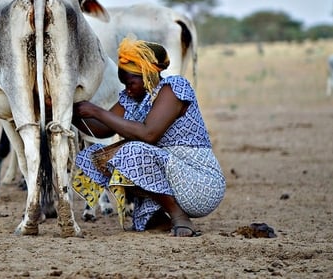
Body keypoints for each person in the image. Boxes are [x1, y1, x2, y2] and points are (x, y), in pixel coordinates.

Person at [72, 38, 225, 237]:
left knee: (131, 151)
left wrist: (96, 111)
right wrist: (68, 111)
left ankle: (178, 215)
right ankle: (157, 216)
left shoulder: (174, 88)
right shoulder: (133, 98)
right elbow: (102, 130)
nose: (127, 89)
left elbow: (149, 134)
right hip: (170, 174)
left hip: (199, 182)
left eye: (131, 83)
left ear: (146, 74)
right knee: (96, 157)